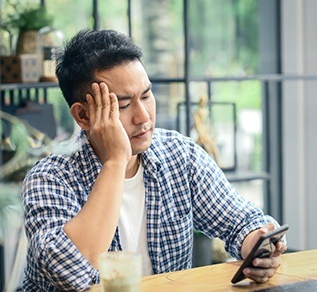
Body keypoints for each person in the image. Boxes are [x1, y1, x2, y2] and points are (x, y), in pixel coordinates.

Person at [21, 29, 287, 291]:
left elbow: (242, 221)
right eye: (123, 105)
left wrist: (257, 245)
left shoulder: (179, 155)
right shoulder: (50, 178)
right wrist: (115, 161)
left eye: (146, 96)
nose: (143, 117)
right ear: (83, 116)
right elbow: (69, 272)